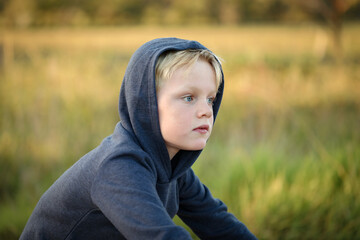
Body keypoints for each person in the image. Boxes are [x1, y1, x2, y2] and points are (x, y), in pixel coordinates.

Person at [20, 38, 257, 239]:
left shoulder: (174, 170)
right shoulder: (119, 167)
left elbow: (219, 224)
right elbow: (161, 236)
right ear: (148, 104)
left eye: (210, 99)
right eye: (188, 97)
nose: (206, 110)